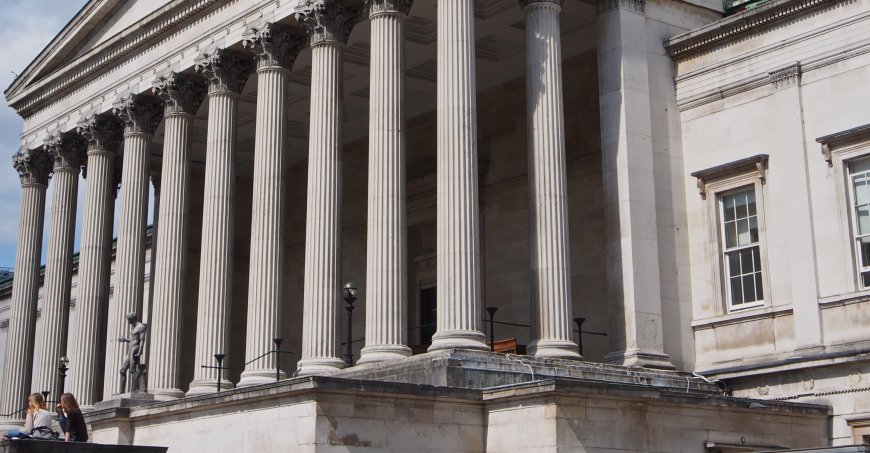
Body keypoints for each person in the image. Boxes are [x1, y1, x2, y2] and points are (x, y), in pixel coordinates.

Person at [118, 311, 147, 393]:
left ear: (132, 318)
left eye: (128, 319)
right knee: (122, 370)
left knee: (133, 370)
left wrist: (140, 351)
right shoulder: (134, 327)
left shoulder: (140, 326)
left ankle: (139, 389)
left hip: (135, 349)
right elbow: (132, 340)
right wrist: (125, 339)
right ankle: (121, 392)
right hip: (130, 349)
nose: (128, 321)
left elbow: (142, 340)